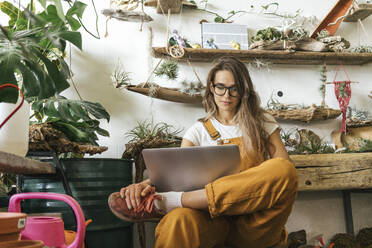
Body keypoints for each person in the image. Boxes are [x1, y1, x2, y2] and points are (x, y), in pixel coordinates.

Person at [108, 57, 298, 248]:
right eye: (221, 87)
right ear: (211, 87)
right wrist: (145, 185)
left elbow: (283, 172)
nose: (227, 95)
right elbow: (178, 177)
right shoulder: (197, 131)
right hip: (211, 222)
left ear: (243, 90)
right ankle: (171, 201)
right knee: (178, 220)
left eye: (234, 88)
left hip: (255, 224)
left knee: (283, 168)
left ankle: (172, 201)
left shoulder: (261, 121)